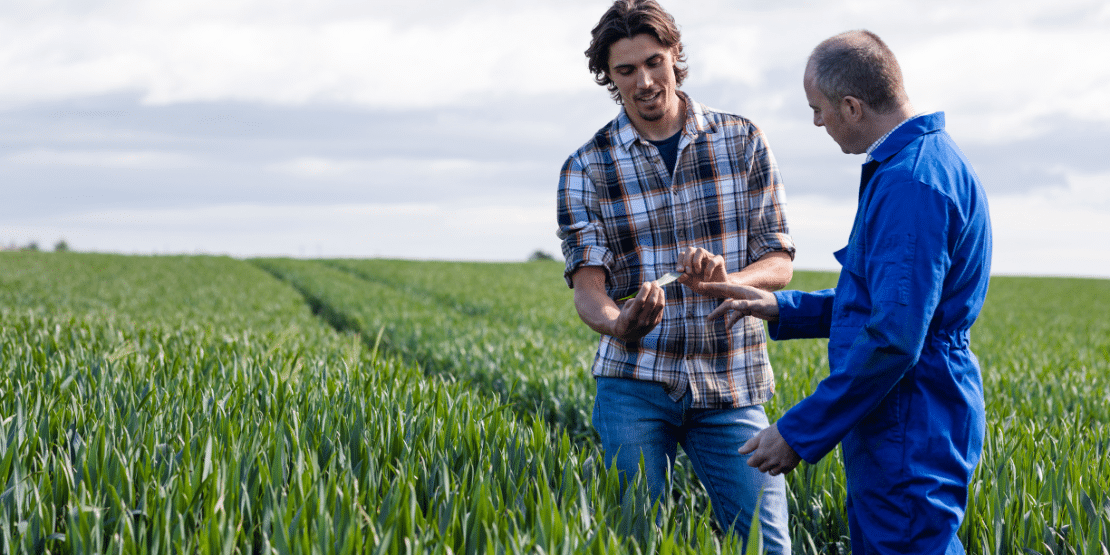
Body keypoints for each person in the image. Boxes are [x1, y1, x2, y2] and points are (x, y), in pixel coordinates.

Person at [703, 30, 992, 554]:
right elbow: (887, 303)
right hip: (911, 410)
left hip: (910, 414)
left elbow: (895, 336)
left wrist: (798, 432)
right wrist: (780, 306)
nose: (817, 122)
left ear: (852, 106)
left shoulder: (911, 184)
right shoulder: (926, 161)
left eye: (819, 109)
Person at [556, 0, 795, 550]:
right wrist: (621, 324)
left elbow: (779, 259)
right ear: (608, 78)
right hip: (634, 384)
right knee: (637, 541)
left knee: (766, 543)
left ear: (675, 56)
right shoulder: (586, 167)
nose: (643, 81)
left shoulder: (743, 140)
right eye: (625, 70)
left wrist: (728, 279)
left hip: (730, 379)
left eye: (654, 62)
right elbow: (590, 291)